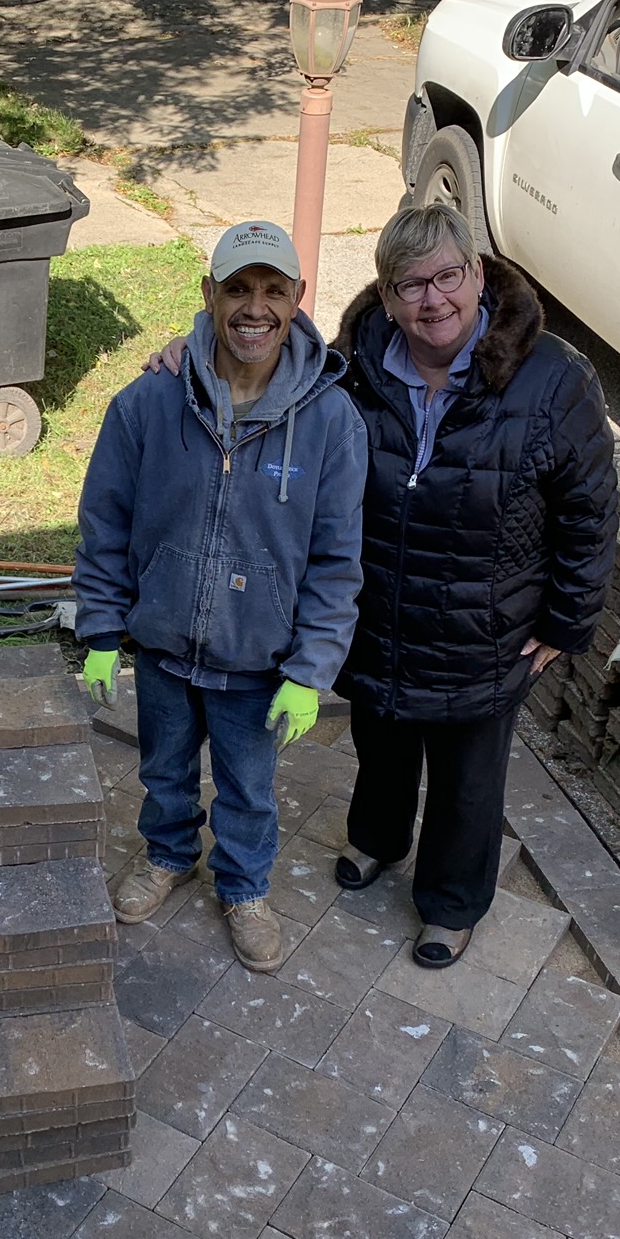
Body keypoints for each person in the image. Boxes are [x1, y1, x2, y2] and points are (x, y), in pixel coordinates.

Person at [73, 220, 367, 972]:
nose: (254, 307)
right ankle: (169, 855)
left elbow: (337, 560)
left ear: (299, 300)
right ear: (208, 295)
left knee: (249, 789)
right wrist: (103, 629)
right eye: (237, 287)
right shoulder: (147, 403)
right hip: (167, 646)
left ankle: (244, 887)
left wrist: (311, 671)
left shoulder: (332, 421)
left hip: (257, 660)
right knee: (163, 770)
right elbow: (105, 521)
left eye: (273, 290)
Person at [331, 204, 616, 967]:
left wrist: (565, 624)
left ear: (478, 274)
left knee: (467, 782)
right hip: (378, 614)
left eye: (447, 276)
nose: (433, 300)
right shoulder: (351, 367)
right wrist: (182, 349)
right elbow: (252, 364)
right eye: (410, 285)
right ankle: (377, 840)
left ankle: (451, 904)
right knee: (380, 744)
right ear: (386, 298)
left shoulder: (554, 378)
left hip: (484, 629)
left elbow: (590, 513)